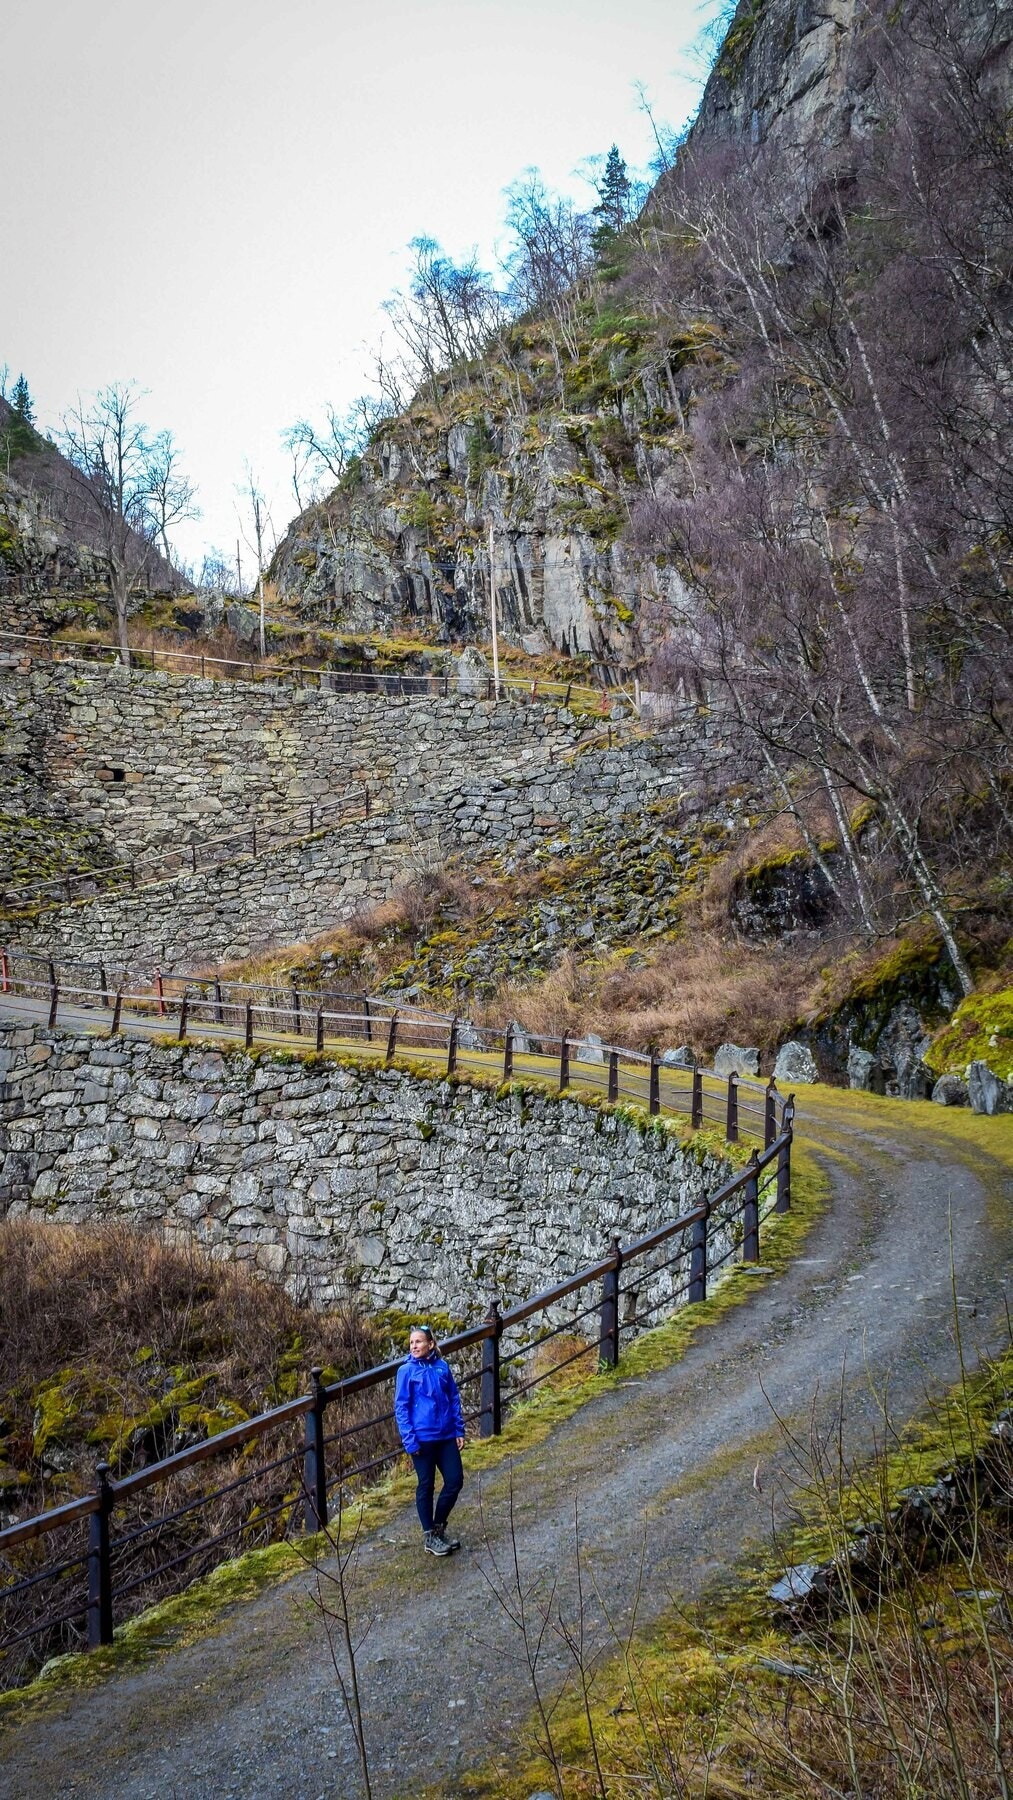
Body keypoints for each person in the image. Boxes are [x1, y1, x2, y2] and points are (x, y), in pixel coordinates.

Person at [394, 1323, 466, 1557]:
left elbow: (453, 1398)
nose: (414, 1345)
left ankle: (438, 1526)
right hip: (422, 1439)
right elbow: (401, 1407)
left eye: (419, 1341)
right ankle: (429, 1536)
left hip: (445, 1435)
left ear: (430, 1344)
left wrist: (459, 1430)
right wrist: (410, 1440)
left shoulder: (442, 1367)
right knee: (426, 1484)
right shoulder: (406, 1371)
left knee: (455, 1481)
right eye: (412, 1342)